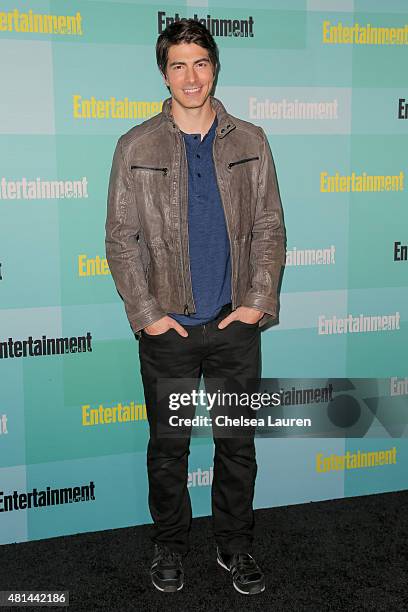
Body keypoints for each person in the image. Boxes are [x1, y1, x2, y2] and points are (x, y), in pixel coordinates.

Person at [105, 18, 286, 596]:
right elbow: (120, 238)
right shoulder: (136, 146)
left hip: (235, 324)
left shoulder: (251, 141)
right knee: (170, 450)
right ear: (164, 73)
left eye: (200, 63)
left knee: (237, 447)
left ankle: (236, 546)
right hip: (169, 332)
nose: (191, 76)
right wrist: (148, 314)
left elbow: (268, 227)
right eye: (178, 64)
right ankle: (169, 547)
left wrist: (257, 303)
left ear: (214, 68)